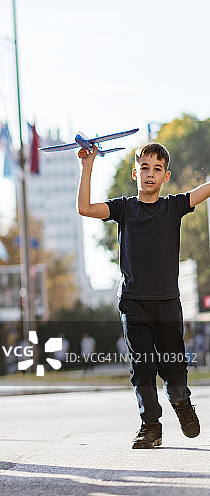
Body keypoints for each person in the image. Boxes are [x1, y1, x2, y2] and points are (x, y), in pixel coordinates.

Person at [77, 142, 210, 449]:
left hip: (167, 303)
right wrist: (87, 166)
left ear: (166, 176)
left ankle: (181, 400)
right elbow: (84, 208)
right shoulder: (123, 209)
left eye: (157, 169)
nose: (150, 174)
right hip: (133, 302)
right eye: (145, 168)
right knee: (143, 366)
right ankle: (150, 426)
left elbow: (202, 191)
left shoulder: (173, 206)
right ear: (135, 173)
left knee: (173, 368)